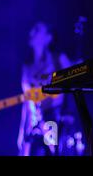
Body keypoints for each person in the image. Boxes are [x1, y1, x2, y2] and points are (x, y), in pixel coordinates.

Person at [17, 21, 73, 156]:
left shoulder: (59, 59)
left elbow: (72, 87)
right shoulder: (26, 66)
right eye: (32, 29)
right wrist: (21, 131)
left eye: (37, 30)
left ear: (48, 37)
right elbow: (27, 101)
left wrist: (69, 113)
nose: (32, 32)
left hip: (52, 118)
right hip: (32, 123)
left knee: (52, 152)